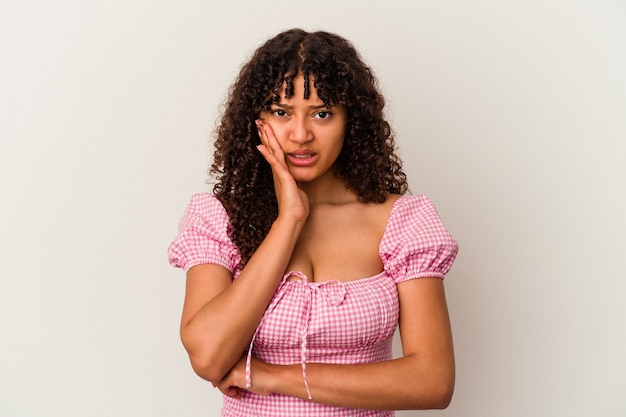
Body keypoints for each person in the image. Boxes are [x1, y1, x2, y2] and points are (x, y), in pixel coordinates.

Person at [168, 28, 459, 417]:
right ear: (256, 119)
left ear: (349, 121)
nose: (301, 134)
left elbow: (432, 382)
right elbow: (207, 355)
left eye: (322, 113)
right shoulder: (218, 218)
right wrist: (289, 219)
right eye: (281, 111)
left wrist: (274, 376)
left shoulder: (400, 221)